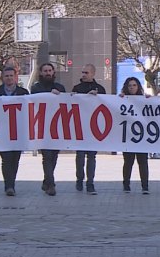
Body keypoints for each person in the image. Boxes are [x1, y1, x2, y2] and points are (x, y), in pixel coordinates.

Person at [0, 66, 29, 196]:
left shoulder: (23, 92)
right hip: (3, 131)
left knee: (15, 159)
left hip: (18, 131)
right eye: (6, 76)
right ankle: (9, 186)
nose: (9, 78)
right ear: (3, 78)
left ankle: (11, 182)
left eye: (11, 75)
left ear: (15, 77)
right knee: (6, 158)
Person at [31, 63, 66, 196]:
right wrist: (49, 95)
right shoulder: (36, 88)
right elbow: (36, 99)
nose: (47, 73)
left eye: (50, 70)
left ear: (53, 72)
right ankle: (51, 184)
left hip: (56, 126)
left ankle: (46, 181)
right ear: (41, 73)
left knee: (54, 156)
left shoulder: (60, 87)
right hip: (41, 126)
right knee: (46, 156)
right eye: (45, 71)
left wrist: (60, 95)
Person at [72, 64, 106, 194]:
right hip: (80, 126)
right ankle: (79, 179)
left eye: (86, 72)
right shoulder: (77, 88)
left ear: (93, 73)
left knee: (91, 156)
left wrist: (97, 97)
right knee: (80, 156)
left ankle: (90, 182)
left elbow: (105, 105)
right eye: (82, 72)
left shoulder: (100, 89)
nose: (83, 75)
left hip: (93, 127)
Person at [119, 77, 149, 194]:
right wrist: (119, 99)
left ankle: (145, 186)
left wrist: (150, 99)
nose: (132, 87)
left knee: (143, 162)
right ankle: (126, 185)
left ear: (138, 87)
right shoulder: (122, 99)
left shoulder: (144, 99)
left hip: (142, 136)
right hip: (128, 136)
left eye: (134, 85)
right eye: (130, 85)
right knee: (128, 162)